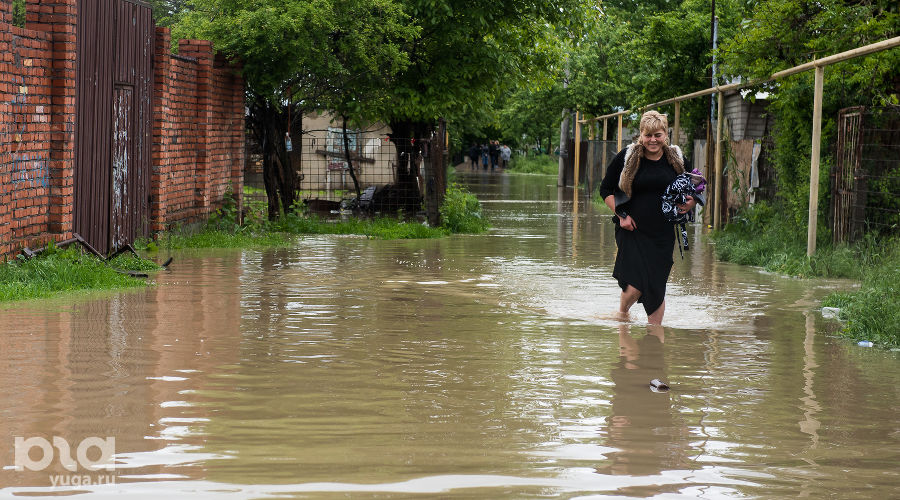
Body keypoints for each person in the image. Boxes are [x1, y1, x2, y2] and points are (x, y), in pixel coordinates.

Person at [598, 110, 696, 325]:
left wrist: (690, 202)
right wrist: (621, 215)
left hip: (663, 232)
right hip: (632, 229)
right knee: (634, 286)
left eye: (657, 135)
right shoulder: (627, 157)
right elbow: (605, 189)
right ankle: (623, 313)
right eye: (648, 135)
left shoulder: (676, 158)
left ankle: (655, 336)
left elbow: (692, 189)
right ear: (641, 135)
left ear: (665, 135)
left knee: (657, 285)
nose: (652, 140)